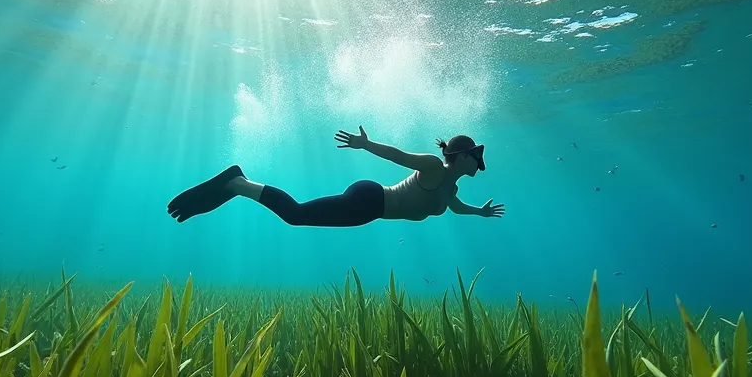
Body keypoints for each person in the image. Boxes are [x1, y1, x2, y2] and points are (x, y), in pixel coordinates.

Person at [166, 127, 505, 227]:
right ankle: (238, 183)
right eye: (476, 155)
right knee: (296, 215)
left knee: (297, 216)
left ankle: (238, 185)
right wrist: (366, 144)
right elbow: (399, 156)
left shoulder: (451, 187)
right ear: (460, 156)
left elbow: (456, 207)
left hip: (369, 209)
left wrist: (481, 212)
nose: (479, 162)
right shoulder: (433, 166)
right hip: (370, 201)